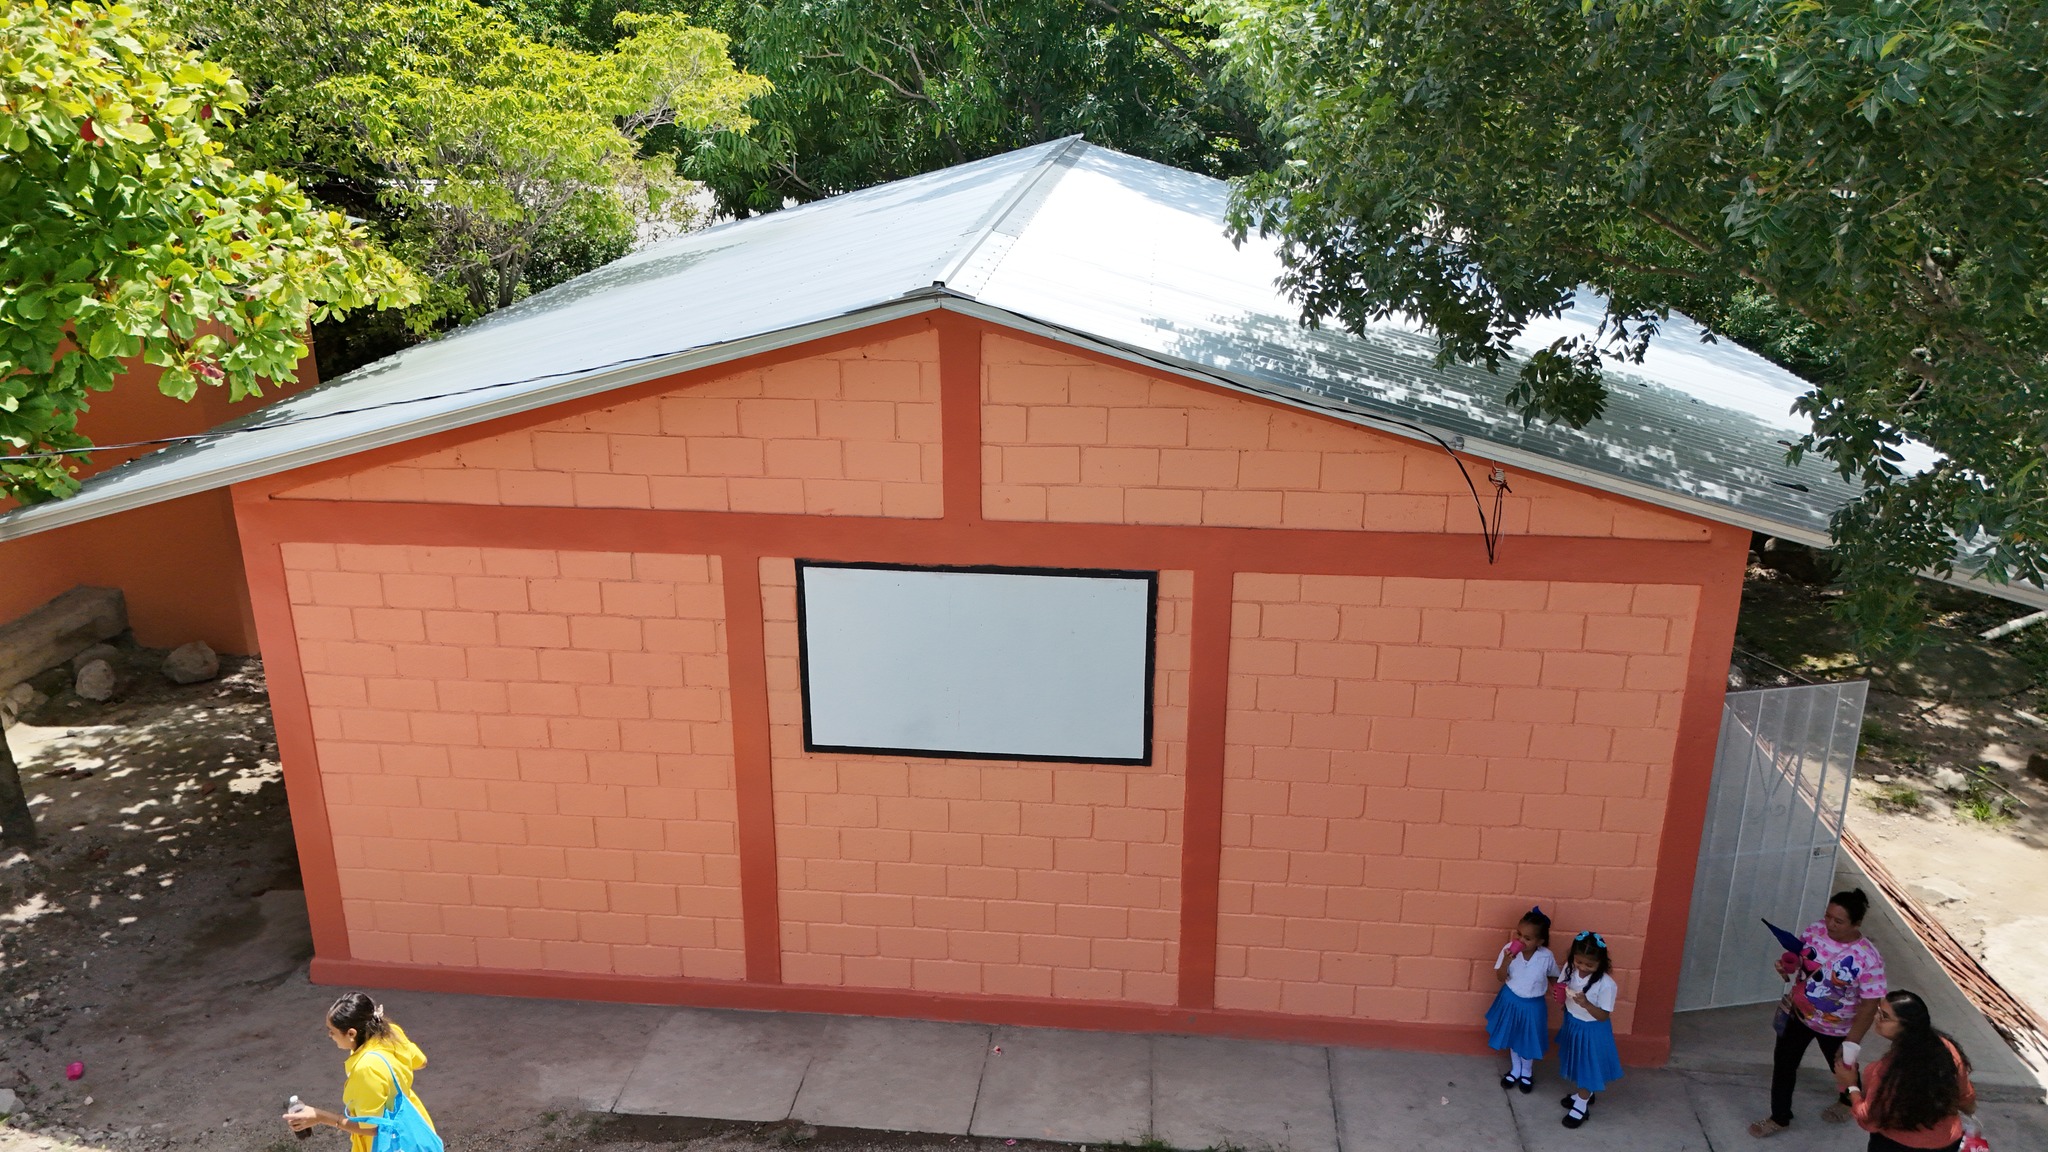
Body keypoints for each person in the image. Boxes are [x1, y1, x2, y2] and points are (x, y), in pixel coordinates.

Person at [1750, 888, 1887, 1139]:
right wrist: (1787, 966)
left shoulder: (1869, 958)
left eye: (1838, 921)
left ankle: (1848, 1101)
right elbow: (1801, 959)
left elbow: (1870, 1005)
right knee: (1784, 1066)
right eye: (1828, 917)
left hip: (1837, 1028)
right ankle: (1779, 1117)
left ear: (1856, 924)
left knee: (1842, 1068)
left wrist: (1851, 1042)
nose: (1830, 925)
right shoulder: (1815, 930)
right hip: (1798, 1016)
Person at [283, 992, 437, 1152]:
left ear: (351, 1033)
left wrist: (321, 1117)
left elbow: (372, 1128)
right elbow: (421, 1062)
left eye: (332, 1031)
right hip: (414, 1126)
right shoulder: (390, 1032)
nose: (330, 1035)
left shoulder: (367, 1068)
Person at [1834, 990, 1977, 1152]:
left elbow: (1868, 1119)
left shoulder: (1886, 1071)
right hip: (1946, 1141)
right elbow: (1965, 1098)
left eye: (1884, 1016)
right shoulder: (1946, 1049)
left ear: (1907, 1025)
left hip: (1898, 1145)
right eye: (1878, 1011)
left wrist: (1851, 1085)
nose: (1876, 1017)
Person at [1555, 930, 1624, 1130]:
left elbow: (1603, 1016)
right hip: (1573, 1023)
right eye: (1579, 962)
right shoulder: (1569, 969)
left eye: (1590, 965)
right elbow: (1561, 986)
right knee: (1577, 1063)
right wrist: (1561, 996)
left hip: (1592, 1030)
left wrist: (1586, 1004)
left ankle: (1581, 1106)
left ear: (1601, 963)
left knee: (1587, 1067)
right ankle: (1584, 1095)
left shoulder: (1606, 985)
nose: (1583, 968)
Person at [1487, 905, 1558, 1093]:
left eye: (1527, 938)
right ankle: (1516, 1069)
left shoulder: (1546, 956)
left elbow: (1552, 975)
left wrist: (1558, 989)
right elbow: (1500, 977)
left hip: (1533, 1005)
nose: (1520, 940)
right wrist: (1506, 961)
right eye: (1518, 934)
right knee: (1514, 1036)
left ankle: (1527, 1072)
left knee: (1527, 1039)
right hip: (1510, 1000)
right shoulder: (1507, 950)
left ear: (1540, 941)